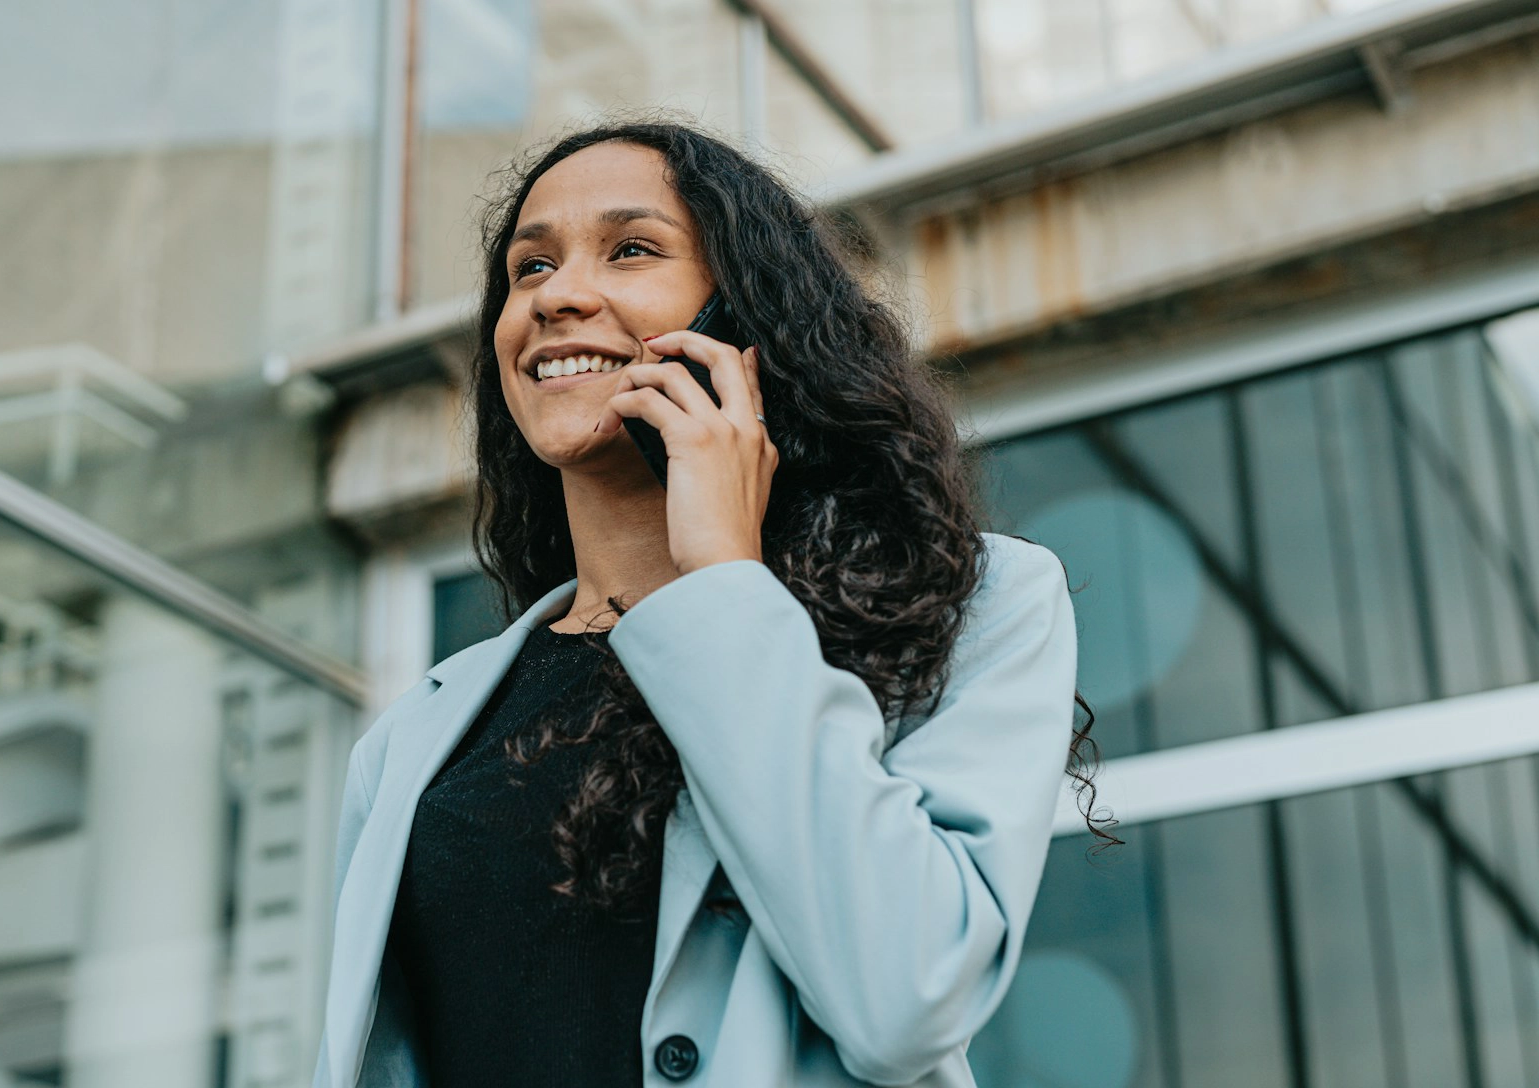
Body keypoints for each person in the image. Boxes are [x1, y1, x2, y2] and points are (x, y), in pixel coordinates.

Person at [311, 118, 1111, 1088]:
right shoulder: (409, 742)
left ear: (746, 319)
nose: (558, 295)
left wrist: (724, 580)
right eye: (529, 268)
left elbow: (907, 998)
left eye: (632, 249)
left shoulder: (975, 607)